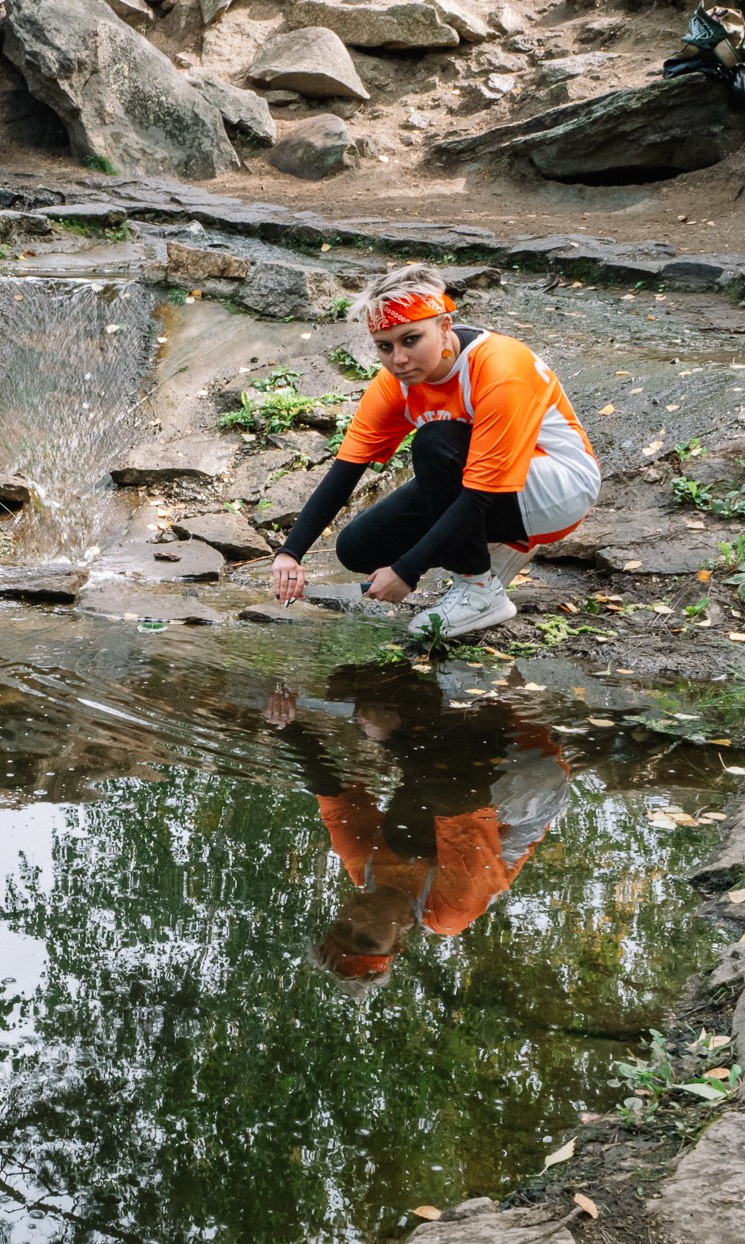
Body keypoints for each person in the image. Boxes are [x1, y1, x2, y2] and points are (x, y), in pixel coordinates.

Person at [268, 265, 601, 639]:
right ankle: (492, 554)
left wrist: (406, 571)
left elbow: (477, 496)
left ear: (444, 326)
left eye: (411, 339)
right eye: (385, 346)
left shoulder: (499, 368)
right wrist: (290, 553)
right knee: (358, 547)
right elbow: (345, 472)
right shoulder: (394, 383)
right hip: (491, 484)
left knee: (435, 441)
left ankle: (479, 590)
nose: (398, 359)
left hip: (559, 486)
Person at [263, 663, 571, 989]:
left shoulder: (363, 868)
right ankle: (500, 692)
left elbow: (332, 793)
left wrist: (284, 727)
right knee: (411, 828)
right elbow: (459, 801)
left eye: (343, 928)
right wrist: (392, 738)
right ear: (398, 941)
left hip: (465, 773)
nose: (358, 922)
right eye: (367, 940)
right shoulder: (449, 913)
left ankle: (431, 665)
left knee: (352, 686)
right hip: (528, 785)